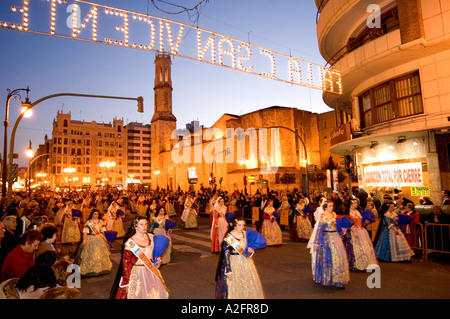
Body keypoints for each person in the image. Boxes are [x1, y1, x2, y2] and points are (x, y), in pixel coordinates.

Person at [110, 216, 169, 299]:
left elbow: (157, 251)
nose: (144, 227)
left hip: (150, 271)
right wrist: (127, 283)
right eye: (141, 224)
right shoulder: (131, 243)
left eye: (146, 224)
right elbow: (126, 264)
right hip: (137, 273)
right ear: (136, 226)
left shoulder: (151, 237)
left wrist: (159, 259)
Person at [215, 217, 265, 299]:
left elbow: (246, 249)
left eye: (243, 225)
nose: (242, 227)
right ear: (235, 226)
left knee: (248, 283)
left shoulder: (245, 234)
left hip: (246, 262)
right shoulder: (229, 238)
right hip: (234, 263)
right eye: (239, 225)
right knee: (236, 285)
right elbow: (226, 255)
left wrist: (250, 250)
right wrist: (228, 271)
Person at [312, 201, 350, 288]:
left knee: (338, 257)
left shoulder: (334, 214)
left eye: (332, 206)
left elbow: (337, 226)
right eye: (329, 206)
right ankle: (327, 277)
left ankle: (338, 278)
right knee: (328, 258)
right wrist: (316, 242)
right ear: (325, 208)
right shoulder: (323, 217)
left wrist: (343, 229)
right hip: (326, 239)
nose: (331, 208)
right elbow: (319, 230)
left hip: (335, 237)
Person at [74, 209, 112, 277]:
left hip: (100, 239)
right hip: (91, 239)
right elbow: (85, 232)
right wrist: (84, 240)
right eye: (95, 214)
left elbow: (103, 232)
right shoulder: (88, 222)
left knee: (100, 253)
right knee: (91, 253)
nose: (96, 215)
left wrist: (107, 239)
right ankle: (90, 268)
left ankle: (101, 268)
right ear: (92, 214)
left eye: (97, 214)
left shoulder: (101, 222)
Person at [343, 199, 378, 271]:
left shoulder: (357, 211)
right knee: (356, 247)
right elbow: (350, 223)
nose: (356, 204)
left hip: (360, 229)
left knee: (364, 246)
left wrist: (365, 223)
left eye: (356, 203)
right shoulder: (349, 212)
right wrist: (354, 231)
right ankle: (355, 264)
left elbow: (360, 221)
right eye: (355, 203)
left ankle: (366, 263)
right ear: (351, 204)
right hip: (354, 231)